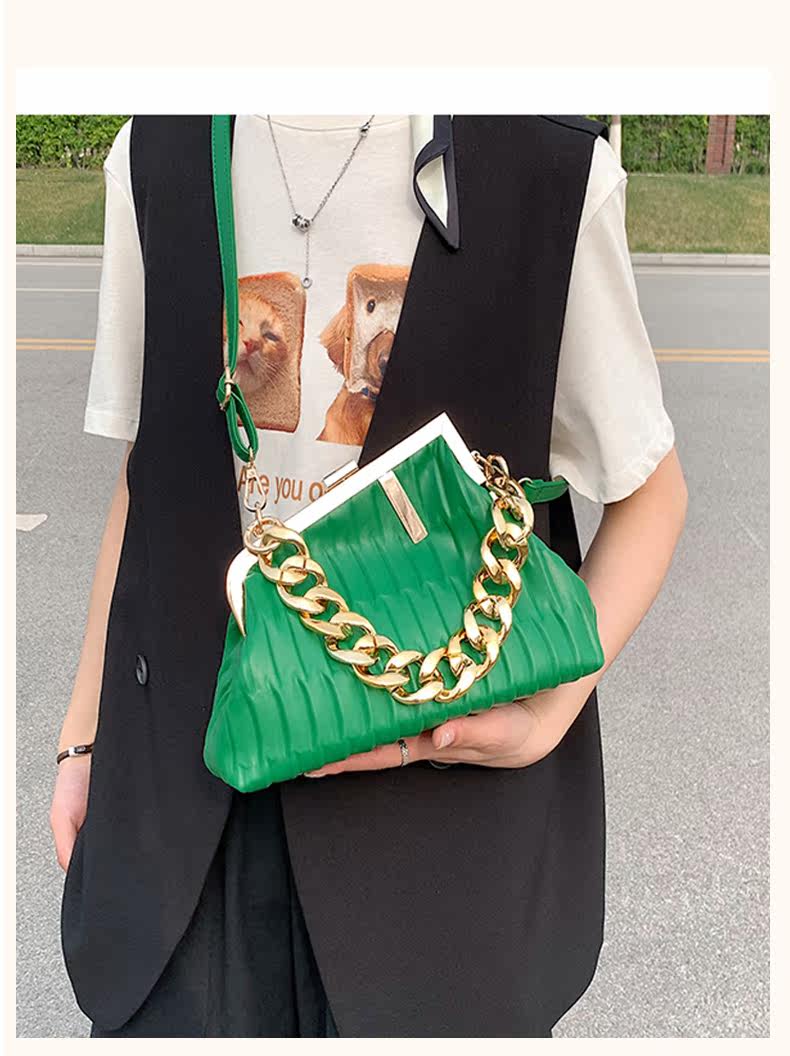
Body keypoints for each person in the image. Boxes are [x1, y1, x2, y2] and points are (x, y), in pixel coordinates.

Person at [51, 114, 687, 1038]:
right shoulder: (158, 146)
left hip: (439, 851)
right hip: (183, 826)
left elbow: (651, 495)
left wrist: (546, 719)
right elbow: (151, 476)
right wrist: (83, 737)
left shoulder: (548, 166)